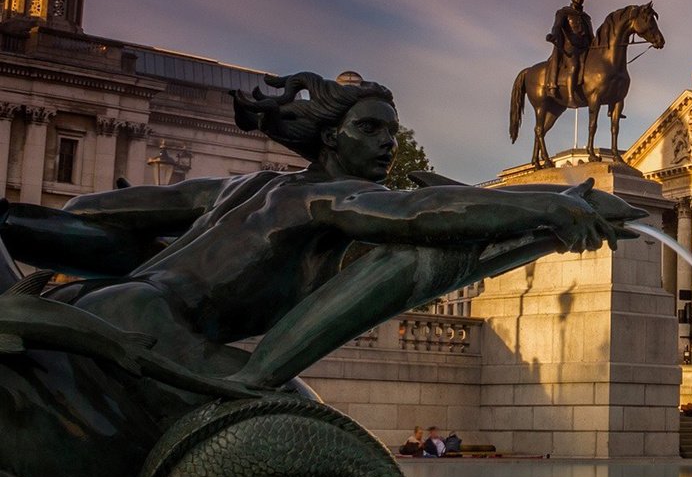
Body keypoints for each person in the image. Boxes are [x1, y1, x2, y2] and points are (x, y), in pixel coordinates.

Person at [0, 70, 634, 393]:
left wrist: (16, 224)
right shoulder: (333, 200)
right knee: (303, 425)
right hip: (158, 333)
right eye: (372, 130)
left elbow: (93, 212)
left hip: (106, 302)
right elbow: (423, 218)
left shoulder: (244, 189)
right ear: (331, 136)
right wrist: (549, 207)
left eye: (392, 131)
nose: (388, 143)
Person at [545, 0, 594, 105]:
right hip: (570, 48)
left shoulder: (586, 17)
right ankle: (571, 97)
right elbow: (557, 27)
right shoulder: (564, 12)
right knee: (574, 66)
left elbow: (590, 34)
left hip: (585, 47)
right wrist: (554, 35)